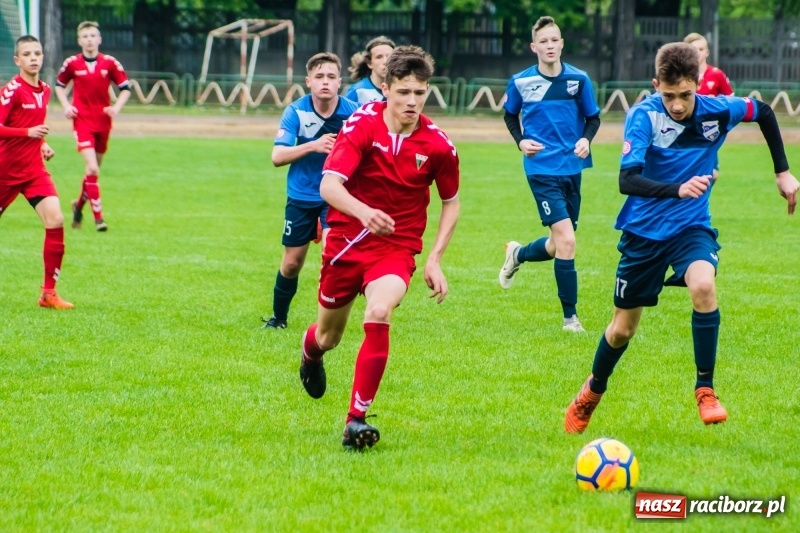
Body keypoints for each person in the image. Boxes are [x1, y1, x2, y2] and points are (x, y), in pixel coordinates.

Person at [564, 42, 798, 433]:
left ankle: (705, 389)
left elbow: (765, 112)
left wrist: (782, 172)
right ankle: (592, 391)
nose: (676, 104)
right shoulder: (643, 117)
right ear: (656, 85)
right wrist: (677, 188)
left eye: (685, 95)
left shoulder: (717, 110)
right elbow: (627, 180)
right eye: (668, 95)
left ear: (698, 85)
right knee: (622, 329)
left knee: (704, 285)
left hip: (691, 227)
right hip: (644, 234)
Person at [298, 45, 460, 450]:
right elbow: (329, 185)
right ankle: (311, 354)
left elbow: (451, 202)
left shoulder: (439, 146)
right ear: (385, 88)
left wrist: (435, 259)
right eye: (403, 91)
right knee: (328, 335)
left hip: (396, 247)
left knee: (380, 309)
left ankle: (356, 419)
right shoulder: (360, 126)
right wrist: (363, 211)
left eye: (419, 93)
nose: (411, 101)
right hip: (345, 242)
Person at [499, 16, 601, 332]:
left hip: (572, 168)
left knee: (557, 246)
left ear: (561, 43)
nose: (550, 45)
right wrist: (520, 141)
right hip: (541, 169)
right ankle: (571, 318)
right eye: (543, 41)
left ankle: (517, 254)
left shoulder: (579, 80)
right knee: (568, 241)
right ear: (534, 47)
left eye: (554, 40)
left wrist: (585, 139)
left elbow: (593, 119)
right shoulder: (520, 82)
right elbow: (510, 115)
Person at [261, 52, 360, 329]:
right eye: (319, 77)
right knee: (292, 263)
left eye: (330, 77)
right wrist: (313, 145)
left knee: (332, 256)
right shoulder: (296, 111)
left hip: (337, 195)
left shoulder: (353, 112)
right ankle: (278, 319)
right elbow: (277, 157)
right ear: (308, 82)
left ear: (339, 81)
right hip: (302, 196)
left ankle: (326, 324)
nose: (325, 82)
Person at [0, 36, 73, 309]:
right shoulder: (11, 91)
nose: (33, 57)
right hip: (5, 173)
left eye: (37, 53)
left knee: (55, 219)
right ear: (17, 60)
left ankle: (48, 293)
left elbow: (31, 125)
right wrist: (28, 133)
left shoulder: (44, 90)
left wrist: (42, 144)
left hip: (33, 171)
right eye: (27, 54)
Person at [55, 20, 131, 232]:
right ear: (79, 41)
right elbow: (59, 86)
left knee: (92, 173)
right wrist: (66, 105)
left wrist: (116, 107)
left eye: (92, 36)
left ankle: (78, 206)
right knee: (93, 167)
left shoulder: (109, 63)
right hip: (82, 121)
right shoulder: (72, 63)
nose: (89, 40)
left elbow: (126, 88)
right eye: (85, 36)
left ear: (99, 39)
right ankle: (99, 218)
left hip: (103, 122)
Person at [345, 36, 395, 104]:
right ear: (369, 63)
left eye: (389, 56)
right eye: (379, 57)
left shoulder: (402, 89)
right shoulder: (358, 91)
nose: (385, 61)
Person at [683, 33, 734, 97]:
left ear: (707, 52)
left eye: (701, 49)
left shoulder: (717, 74)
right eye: (693, 49)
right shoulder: (680, 75)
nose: (697, 53)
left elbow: (731, 100)